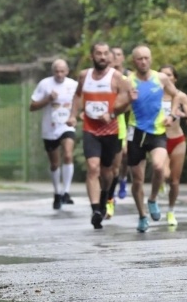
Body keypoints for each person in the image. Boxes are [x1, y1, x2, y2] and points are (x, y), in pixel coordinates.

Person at [67, 42, 132, 229]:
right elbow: (78, 95)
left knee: (108, 172)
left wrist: (112, 114)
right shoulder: (84, 76)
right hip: (90, 129)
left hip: (111, 130)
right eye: (98, 53)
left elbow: (127, 100)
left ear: (109, 57)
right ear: (92, 56)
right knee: (92, 167)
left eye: (105, 54)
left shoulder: (117, 77)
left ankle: (104, 198)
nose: (102, 57)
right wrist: (72, 115)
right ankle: (95, 209)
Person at [126, 45, 181, 232]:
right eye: (139, 58)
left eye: (146, 58)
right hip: (135, 132)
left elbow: (176, 95)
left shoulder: (161, 78)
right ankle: (142, 216)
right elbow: (119, 107)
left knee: (159, 167)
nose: (143, 61)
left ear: (151, 59)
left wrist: (172, 115)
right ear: (134, 61)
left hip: (157, 131)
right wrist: (127, 100)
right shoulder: (128, 81)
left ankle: (152, 199)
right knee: (137, 179)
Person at [29, 58, 78, 210]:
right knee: (54, 163)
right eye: (56, 71)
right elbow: (32, 106)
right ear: (52, 72)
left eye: (62, 71)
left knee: (68, 155)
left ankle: (66, 192)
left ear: (67, 71)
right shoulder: (45, 84)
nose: (59, 74)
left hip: (66, 126)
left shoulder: (73, 85)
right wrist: (48, 99)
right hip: (50, 128)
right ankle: (57, 193)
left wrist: (75, 116)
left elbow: (79, 102)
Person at [159, 65, 187, 227]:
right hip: (159, 140)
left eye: (169, 75)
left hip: (177, 139)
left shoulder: (181, 96)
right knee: (163, 172)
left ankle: (171, 211)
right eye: (162, 75)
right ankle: (159, 182)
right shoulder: (155, 95)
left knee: (174, 181)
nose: (166, 77)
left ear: (174, 79)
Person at [105, 47, 129, 219]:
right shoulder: (97, 78)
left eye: (116, 57)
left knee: (114, 168)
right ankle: (101, 200)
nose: (113, 60)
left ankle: (109, 200)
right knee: (98, 168)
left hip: (118, 128)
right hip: (97, 129)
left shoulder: (126, 79)